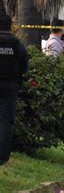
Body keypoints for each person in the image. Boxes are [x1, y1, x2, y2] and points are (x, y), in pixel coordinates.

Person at [0, 15, 28, 165]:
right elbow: (25, 65)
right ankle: (2, 157)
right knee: (6, 121)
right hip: (10, 86)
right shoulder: (17, 45)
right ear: (10, 26)